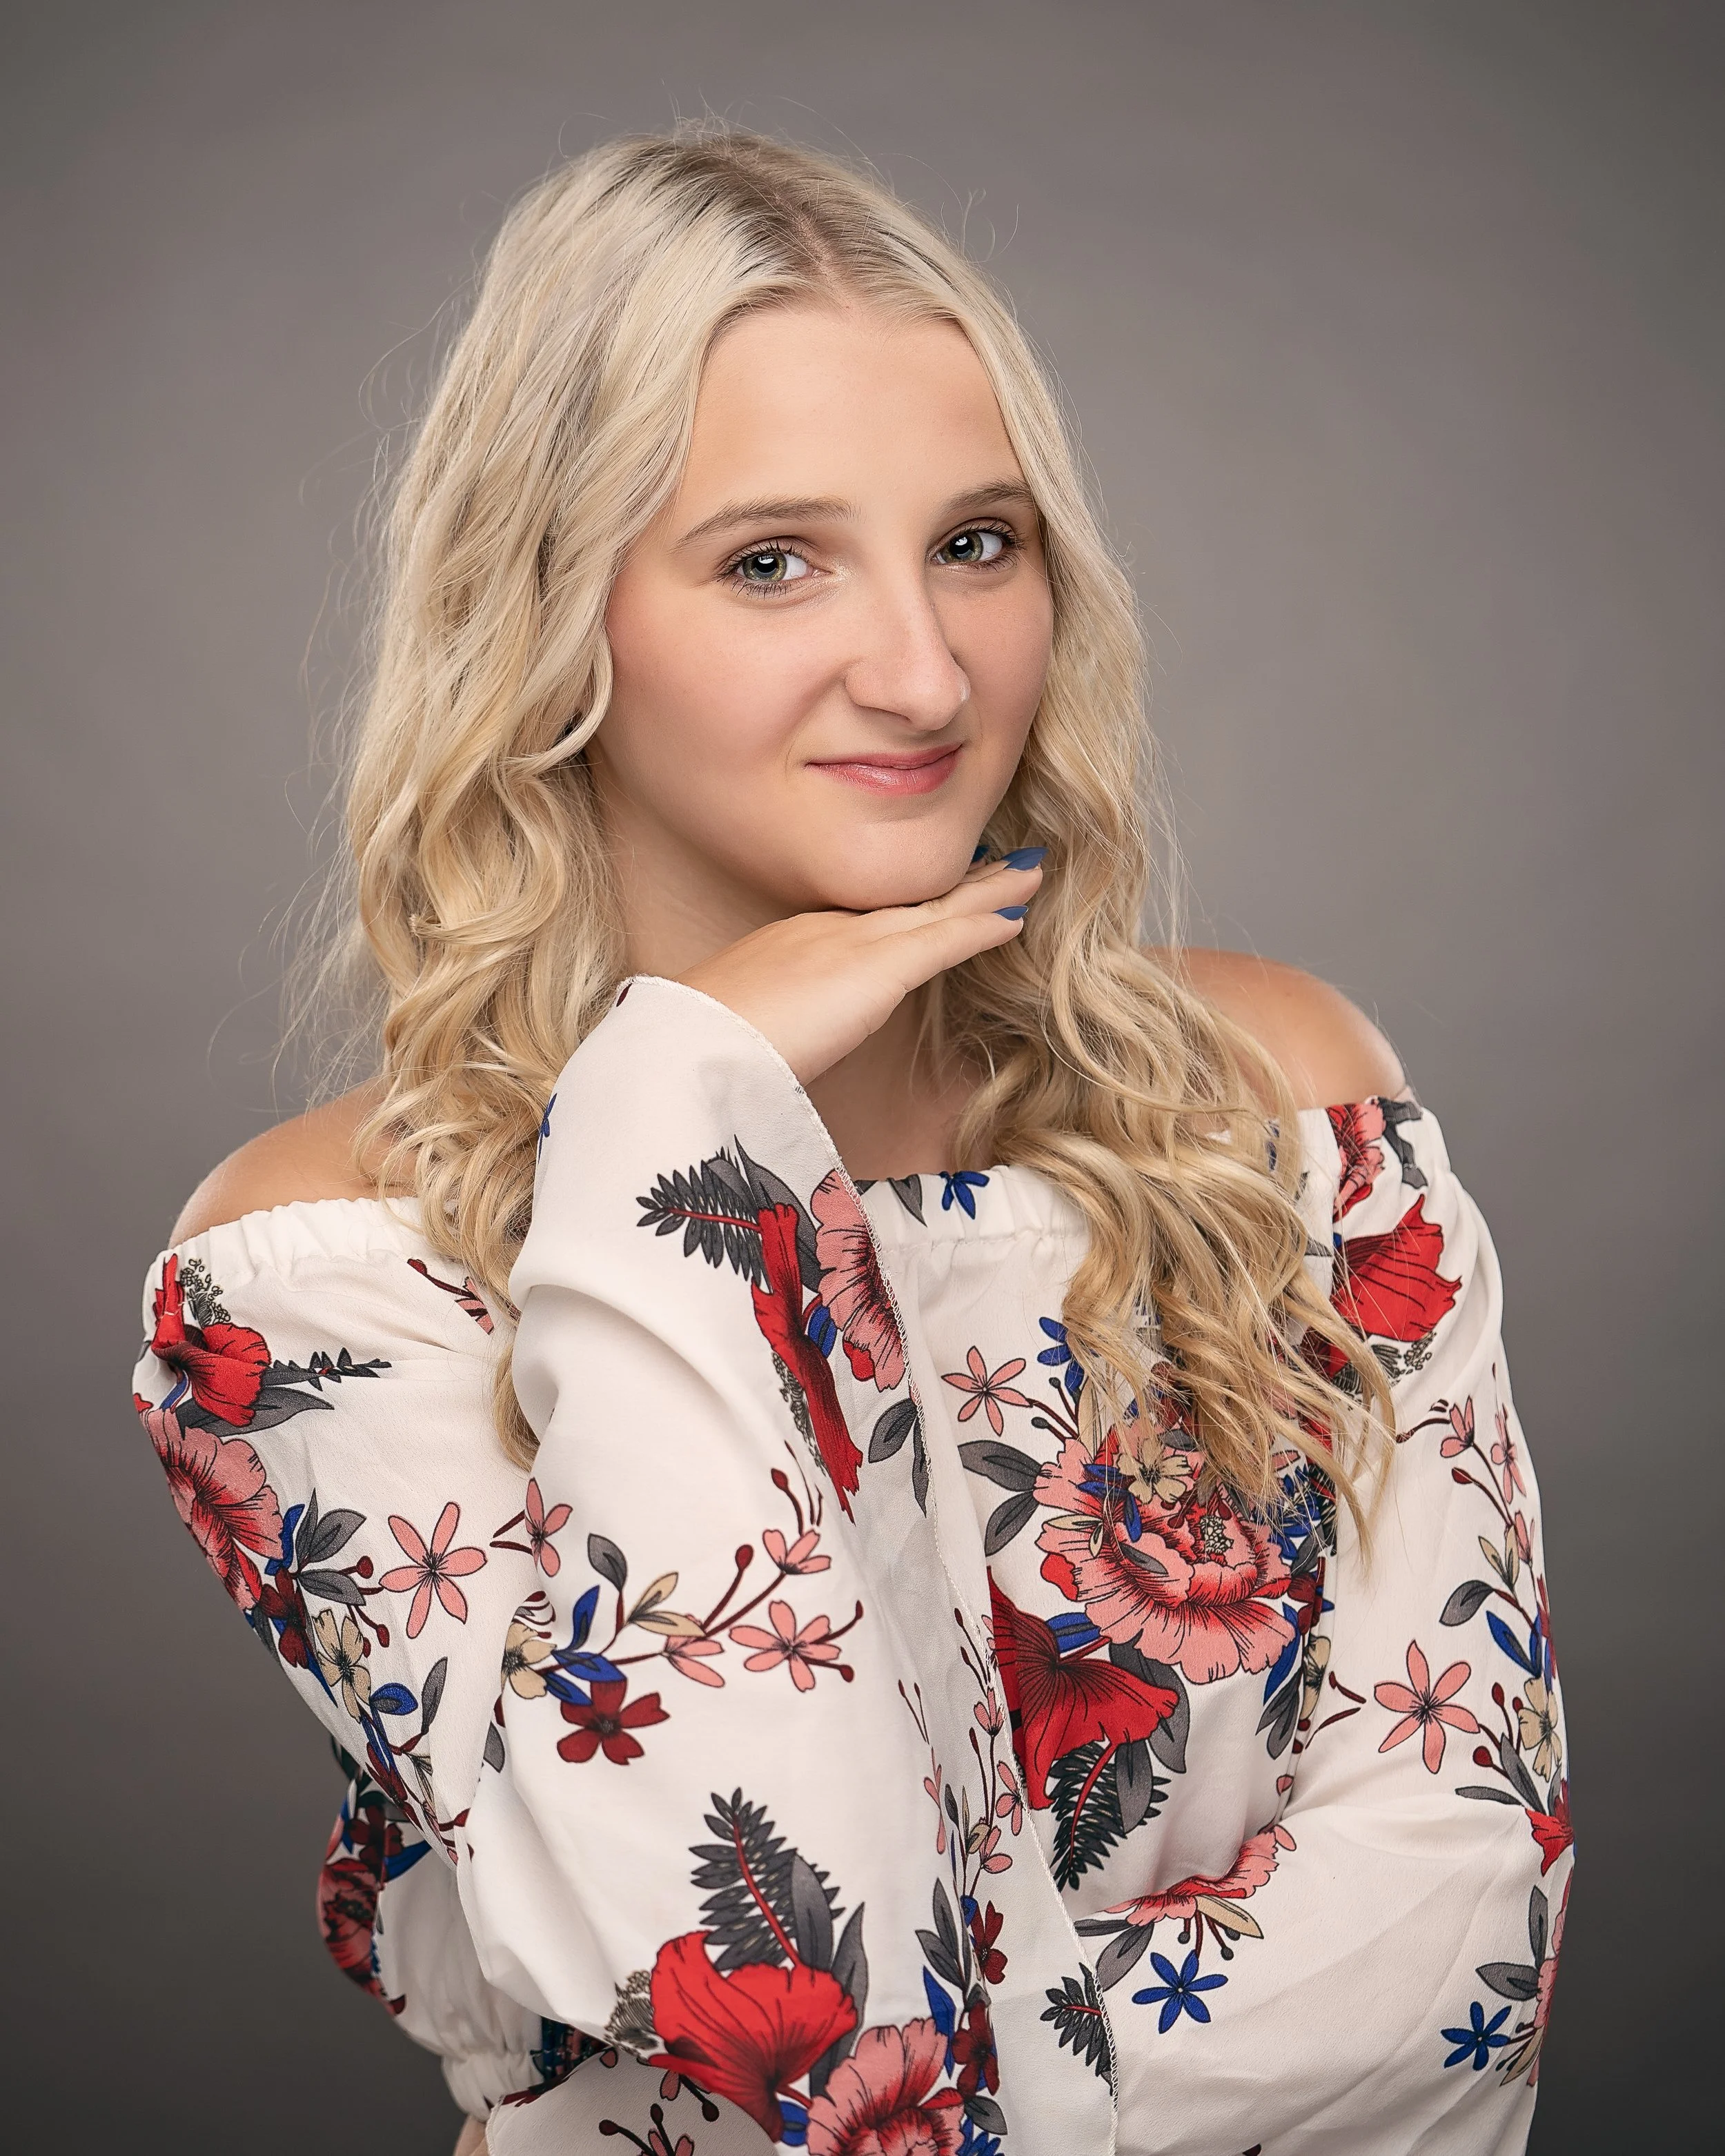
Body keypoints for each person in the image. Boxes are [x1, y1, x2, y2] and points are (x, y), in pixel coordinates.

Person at [133, 130, 1570, 2156]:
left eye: (976, 543)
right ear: (553, 613)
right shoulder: (327, 1268)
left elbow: (1453, 1950)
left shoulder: (1275, 1112)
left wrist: (945, 2093)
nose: (923, 670)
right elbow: (801, 1993)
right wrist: (673, 1113)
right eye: (771, 559)